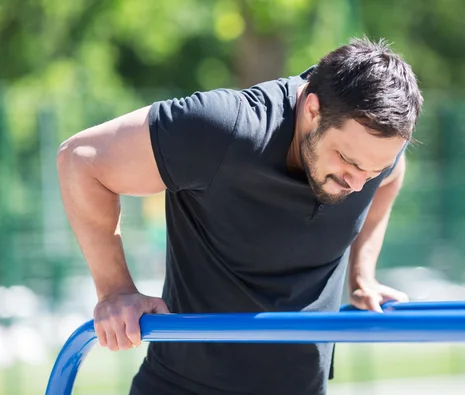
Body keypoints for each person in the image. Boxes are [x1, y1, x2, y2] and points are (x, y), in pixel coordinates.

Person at [56, 37, 423, 395]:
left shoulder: (374, 149)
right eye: (348, 160)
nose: (357, 184)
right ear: (313, 111)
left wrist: (363, 275)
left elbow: (391, 176)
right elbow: (81, 159)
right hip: (184, 384)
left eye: (372, 170)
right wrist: (115, 290)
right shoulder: (227, 128)